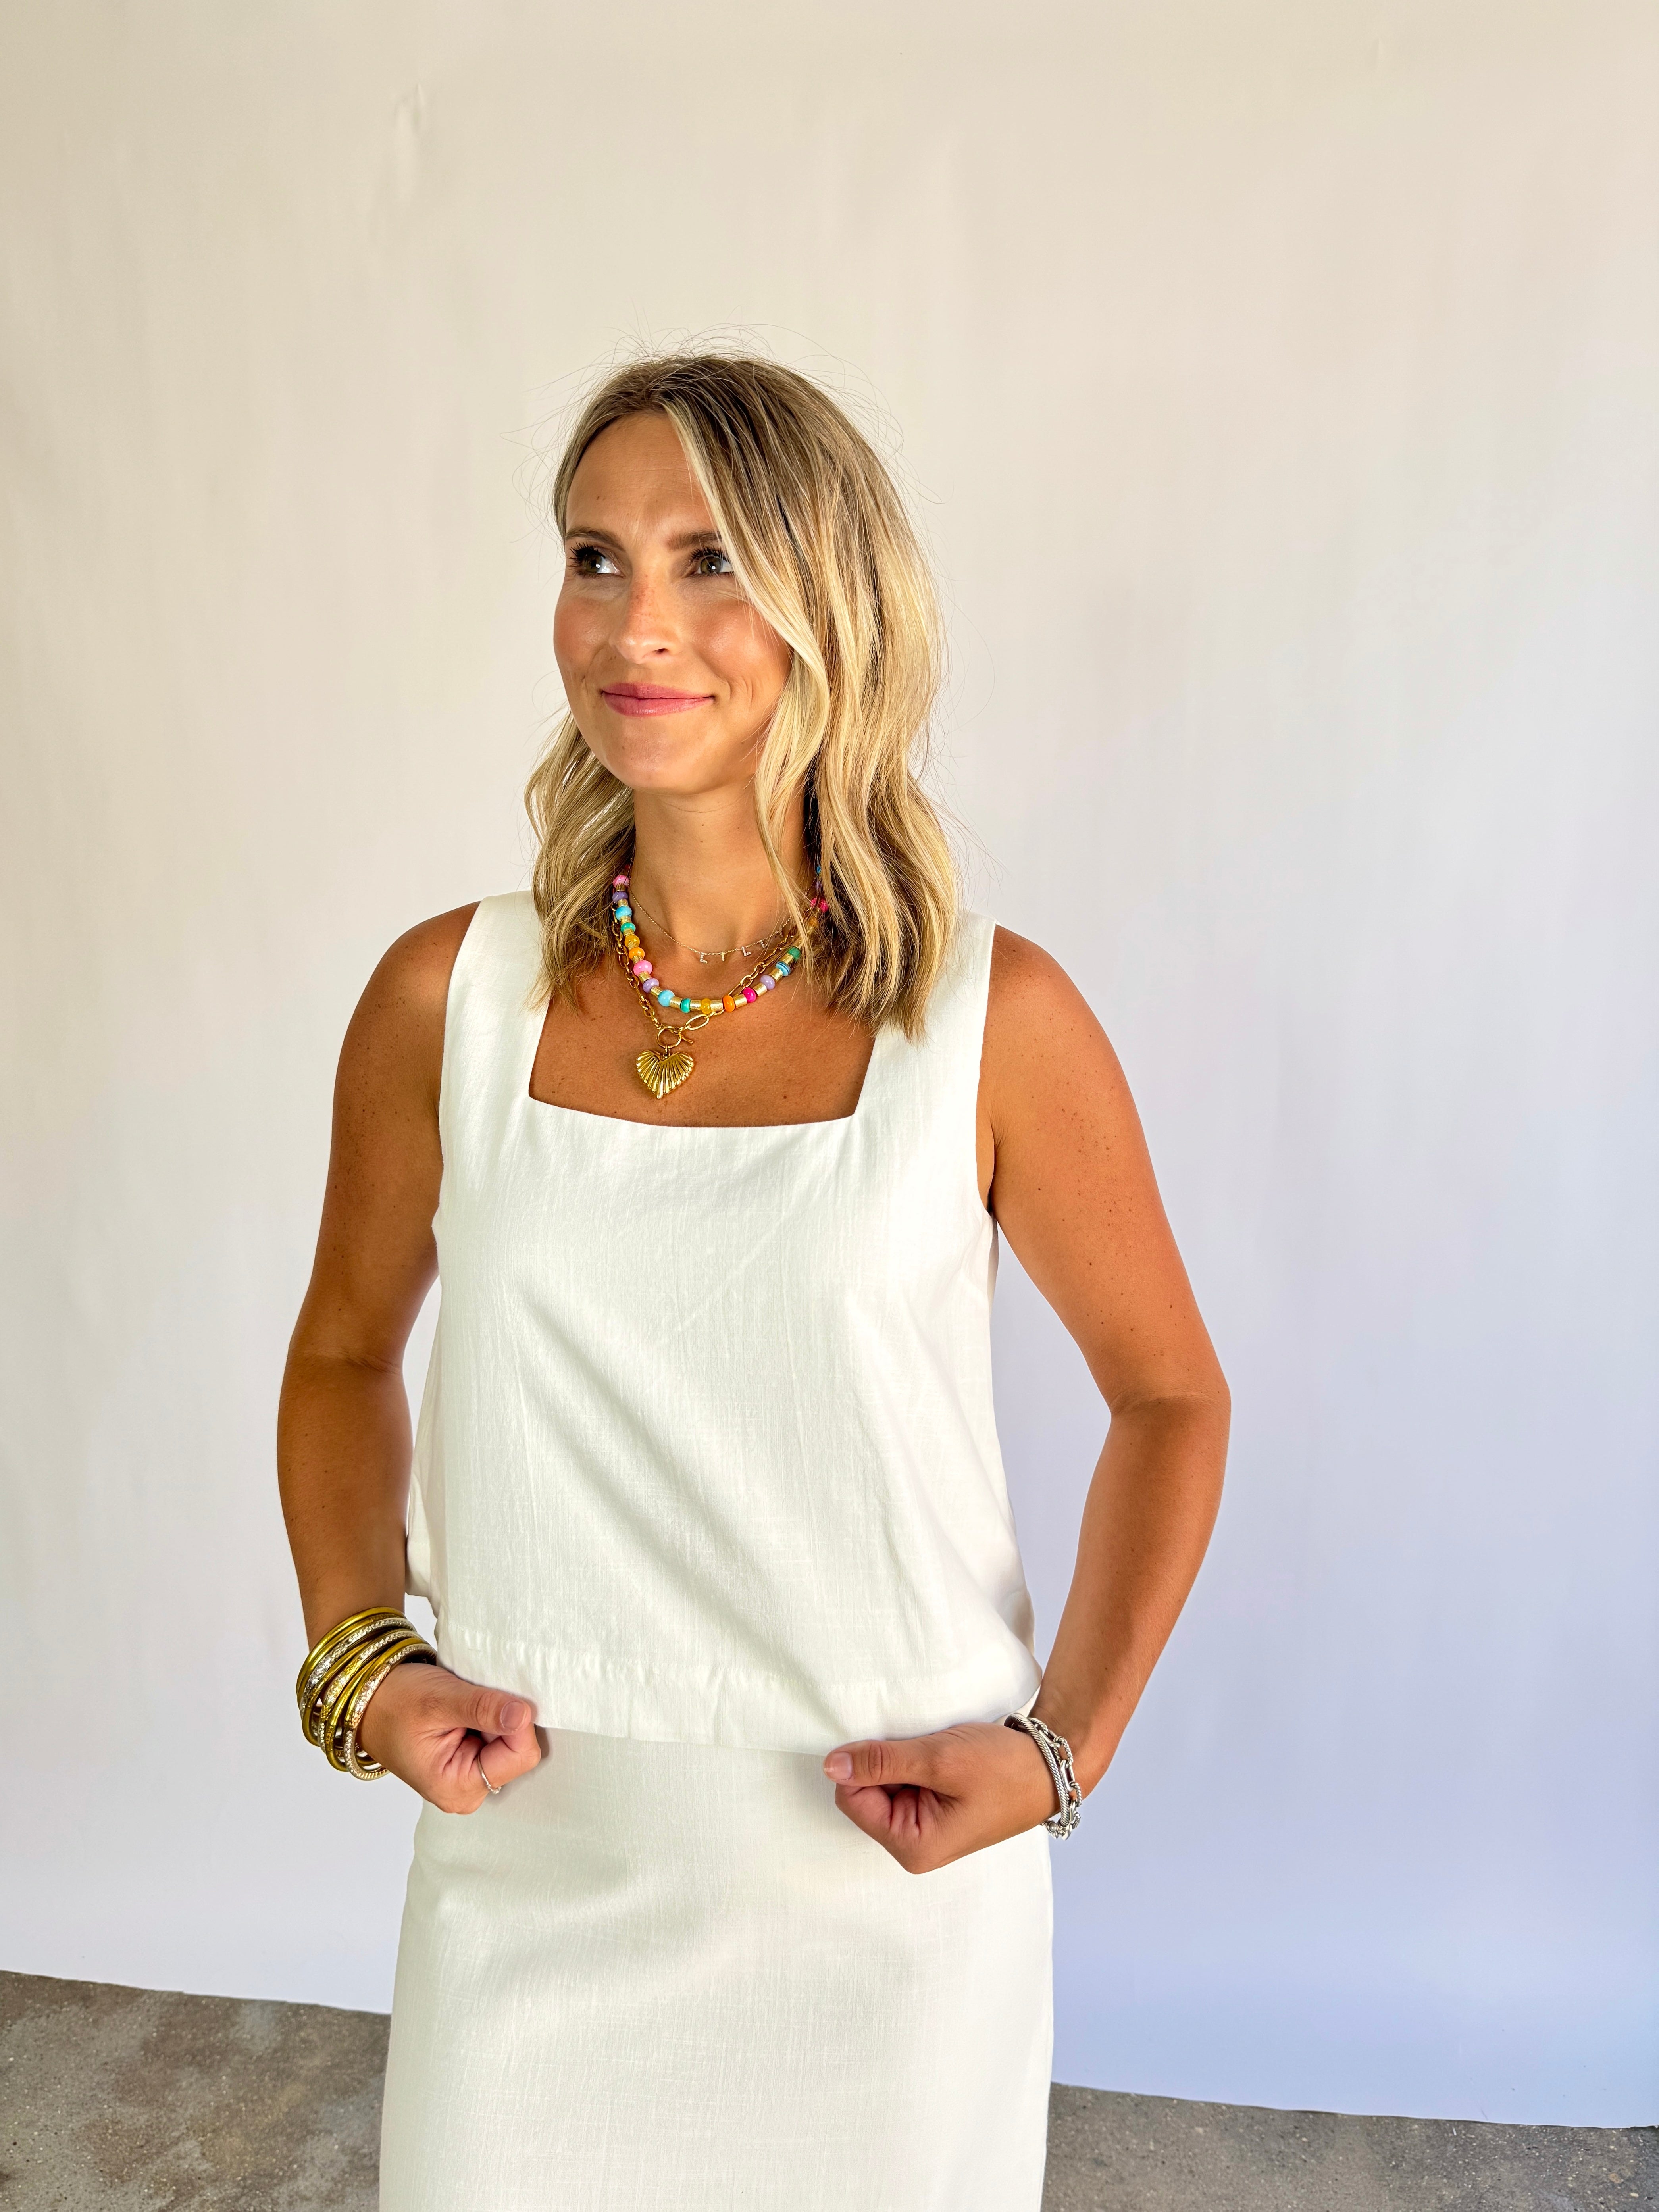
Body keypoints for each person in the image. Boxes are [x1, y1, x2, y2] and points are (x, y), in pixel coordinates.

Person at [277, 353, 1230, 2212]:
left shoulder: (990, 1018)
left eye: (708, 559)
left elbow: (1170, 1395)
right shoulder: (445, 1000)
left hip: (880, 1883)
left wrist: (1064, 1749)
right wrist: (359, 1657)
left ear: (830, 600)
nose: (635, 622)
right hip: (535, 1862)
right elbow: (339, 1353)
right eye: (595, 556)